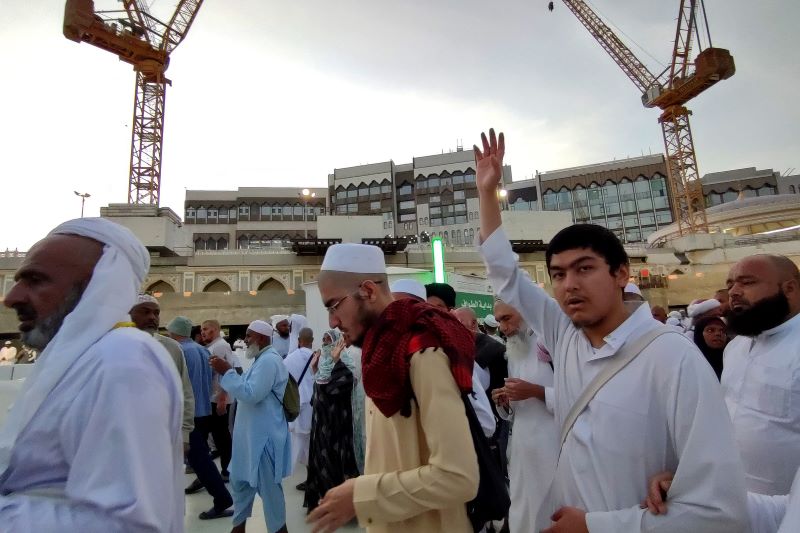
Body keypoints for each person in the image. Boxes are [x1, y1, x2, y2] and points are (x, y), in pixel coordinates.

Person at [474, 128, 748, 532]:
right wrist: (486, 192)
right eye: (558, 274)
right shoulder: (566, 336)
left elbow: (719, 511)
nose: (569, 284)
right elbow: (505, 274)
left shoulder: (672, 359)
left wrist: (598, 525)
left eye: (585, 269)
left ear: (621, 273)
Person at [0, 217, 183, 530]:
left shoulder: (122, 358)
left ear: (96, 286)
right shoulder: (85, 358)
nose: (12, 297)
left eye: (35, 280)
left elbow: (125, 525)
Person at [308, 242, 478, 532]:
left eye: (334, 305)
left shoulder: (422, 352)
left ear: (369, 291)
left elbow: (458, 477)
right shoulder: (381, 353)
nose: (332, 321)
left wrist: (361, 495)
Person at [722, 254, 800, 496]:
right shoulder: (735, 347)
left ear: (789, 289)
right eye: (730, 284)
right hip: (733, 500)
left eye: (747, 282)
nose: (734, 292)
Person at [211, 319, 291, 533]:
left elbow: (251, 394)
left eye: (249, 336)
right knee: (241, 487)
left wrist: (227, 371)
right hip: (249, 439)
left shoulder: (269, 361)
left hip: (263, 441)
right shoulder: (260, 359)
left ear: (262, 338)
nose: (245, 340)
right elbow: (246, 388)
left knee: (271, 496)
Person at [491, 299, 558, 533]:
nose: (502, 327)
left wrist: (536, 392)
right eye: (499, 320)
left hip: (553, 452)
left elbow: (581, 398)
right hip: (522, 452)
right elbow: (514, 412)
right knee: (523, 514)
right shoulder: (516, 348)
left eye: (507, 318)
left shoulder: (550, 342)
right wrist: (505, 401)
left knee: (549, 514)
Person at [166, 315, 234, 519]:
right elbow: (215, 377)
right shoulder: (202, 350)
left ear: (173, 332)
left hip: (188, 414)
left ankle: (222, 498)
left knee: (198, 457)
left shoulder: (178, 351)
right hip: (203, 410)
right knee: (198, 455)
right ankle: (213, 490)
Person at [129, 294, 195, 449]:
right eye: (145, 312)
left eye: (156, 313)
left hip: (163, 434)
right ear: (129, 314)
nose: (152, 317)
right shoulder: (114, 344)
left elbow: (184, 392)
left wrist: (185, 435)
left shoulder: (171, 348)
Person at [304, 332, 361, 512]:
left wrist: (337, 362)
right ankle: (324, 499)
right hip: (321, 426)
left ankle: (340, 505)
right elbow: (318, 396)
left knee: (337, 462)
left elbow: (337, 389)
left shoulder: (347, 366)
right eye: (324, 340)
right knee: (321, 462)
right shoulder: (325, 365)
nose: (326, 343)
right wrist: (315, 370)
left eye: (329, 340)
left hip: (338, 425)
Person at [452, 307, 504, 439]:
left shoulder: (492, 348)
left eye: (458, 323)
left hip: (493, 420)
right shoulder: (459, 347)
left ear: (473, 323)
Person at [199, 318, 241, 483]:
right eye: (202, 329)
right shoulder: (212, 346)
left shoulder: (221, 346)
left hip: (219, 398)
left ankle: (227, 469)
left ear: (215, 330)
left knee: (221, 436)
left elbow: (226, 371)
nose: (203, 332)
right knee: (219, 435)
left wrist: (223, 397)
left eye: (206, 328)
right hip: (214, 397)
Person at [284, 326, 315, 474]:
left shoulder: (291, 357)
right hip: (313, 403)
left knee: (298, 439)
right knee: (310, 439)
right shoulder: (317, 356)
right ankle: (312, 475)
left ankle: (305, 473)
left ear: (298, 340)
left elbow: (283, 379)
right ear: (312, 340)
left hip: (296, 402)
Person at [692, 316, 727, 380]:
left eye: (722, 331)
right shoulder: (692, 363)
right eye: (710, 330)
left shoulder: (731, 360)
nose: (718, 334)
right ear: (700, 334)